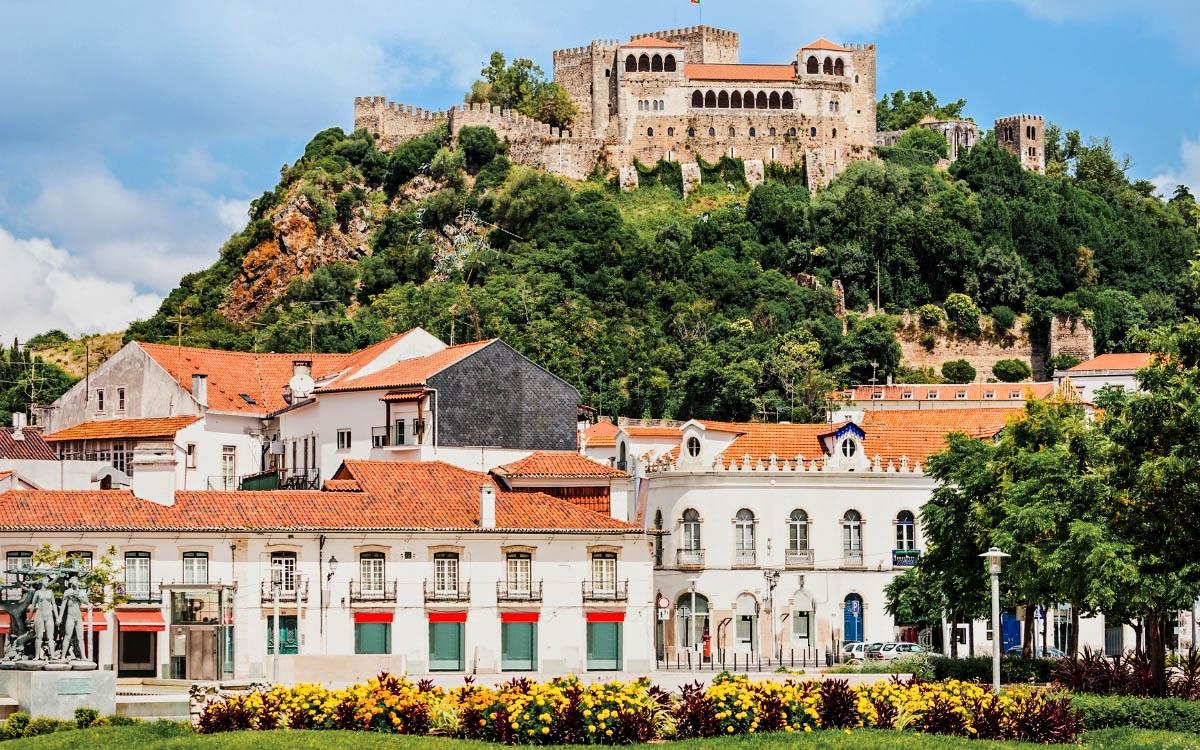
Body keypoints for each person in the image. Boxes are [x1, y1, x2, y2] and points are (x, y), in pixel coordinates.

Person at [58, 576, 89, 661]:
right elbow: (63, 605)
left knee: (80, 637)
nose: (75, 582)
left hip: (78, 616)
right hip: (70, 615)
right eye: (74, 580)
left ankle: (83, 656)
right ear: (71, 582)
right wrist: (60, 617)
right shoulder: (67, 592)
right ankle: (63, 656)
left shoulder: (81, 592)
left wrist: (78, 596)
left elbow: (86, 602)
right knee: (67, 636)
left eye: (76, 580)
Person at [30, 580, 57, 661]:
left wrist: (58, 617)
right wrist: (29, 618)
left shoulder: (50, 592)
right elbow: (33, 605)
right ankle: (37, 656)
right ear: (42, 583)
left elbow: (54, 604)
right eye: (46, 581)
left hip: (49, 615)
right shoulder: (37, 593)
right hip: (40, 615)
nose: (47, 582)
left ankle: (53, 655)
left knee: (50, 637)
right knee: (39, 636)